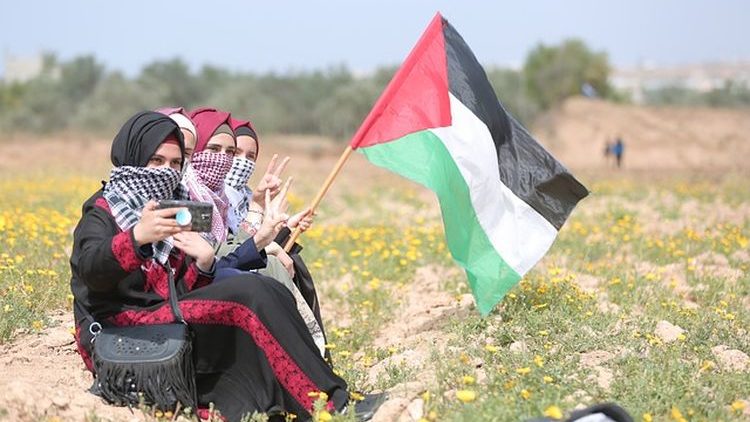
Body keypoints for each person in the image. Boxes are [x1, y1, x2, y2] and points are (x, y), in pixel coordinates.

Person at [70, 111, 358, 421]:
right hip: (123, 325)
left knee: (264, 287)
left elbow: (180, 288)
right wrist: (136, 237)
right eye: (157, 161)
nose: (167, 171)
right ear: (134, 157)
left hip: (164, 313)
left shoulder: (176, 205)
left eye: (176, 163)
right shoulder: (106, 208)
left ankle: (324, 395)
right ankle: (328, 407)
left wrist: (204, 263)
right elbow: (91, 271)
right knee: (247, 294)